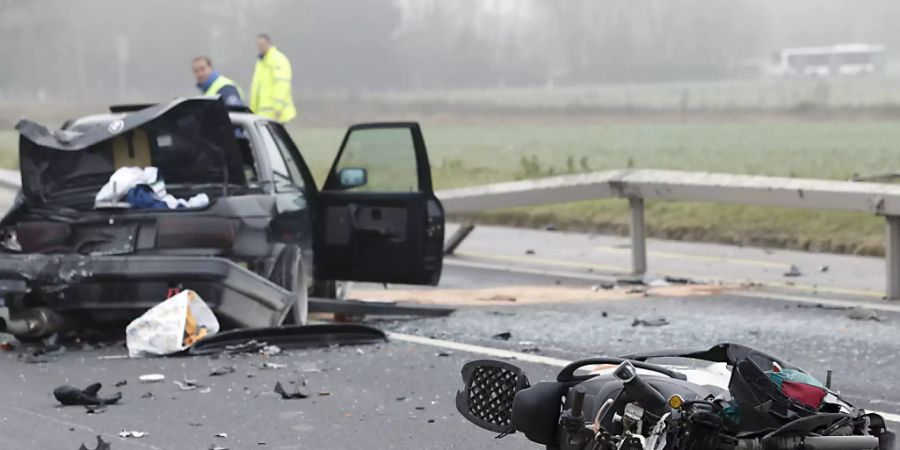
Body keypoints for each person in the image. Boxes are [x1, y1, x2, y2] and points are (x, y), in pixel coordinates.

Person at [250, 33, 296, 123]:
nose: (261, 47)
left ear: (268, 44)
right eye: (259, 45)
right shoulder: (260, 62)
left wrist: (278, 109)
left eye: (263, 44)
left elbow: (282, 84)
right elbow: (257, 88)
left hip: (275, 114)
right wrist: (252, 111)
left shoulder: (278, 59)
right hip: (262, 114)